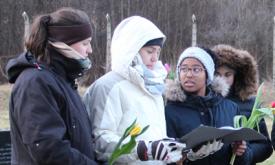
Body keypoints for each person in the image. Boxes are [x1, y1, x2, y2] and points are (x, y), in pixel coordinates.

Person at [83, 16, 221, 165]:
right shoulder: (108, 86)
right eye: (150, 51)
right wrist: (143, 150)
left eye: (158, 52)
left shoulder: (153, 86)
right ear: (131, 49)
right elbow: (100, 142)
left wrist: (186, 153)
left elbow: (157, 142)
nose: (155, 58)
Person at [5, 7, 99, 165]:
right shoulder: (35, 83)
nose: (90, 50)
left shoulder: (62, 80)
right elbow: (50, 151)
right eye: (85, 43)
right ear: (64, 43)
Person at [165, 46, 252, 165]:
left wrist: (241, 152)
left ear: (208, 74)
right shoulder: (169, 112)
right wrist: (180, 160)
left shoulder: (230, 108)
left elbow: (244, 160)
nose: (189, 74)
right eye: (184, 69)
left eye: (196, 69)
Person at [212, 44, 273, 163]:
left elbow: (265, 146)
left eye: (228, 74)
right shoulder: (205, 102)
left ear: (236, 75)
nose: (223, 79)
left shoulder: (250, 104)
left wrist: (246, 152)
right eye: (217, 74)